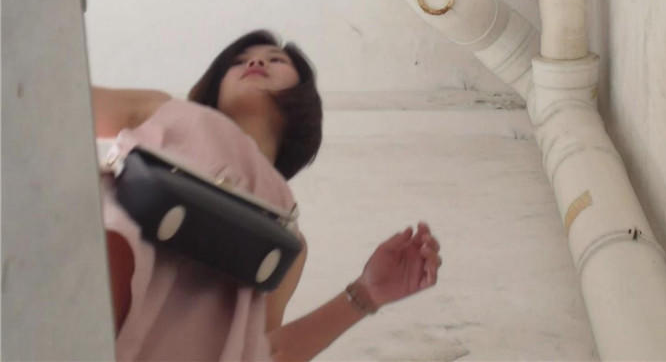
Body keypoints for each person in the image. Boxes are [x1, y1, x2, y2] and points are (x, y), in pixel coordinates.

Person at [93, 30, 442, 361]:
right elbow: (65, 106)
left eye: (276, 60)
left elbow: (259, 353)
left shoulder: (286, 235)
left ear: (302, 93)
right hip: (78, 296)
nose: (256, 62)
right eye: (238, 61)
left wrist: (365, 295)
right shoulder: (164, 110)